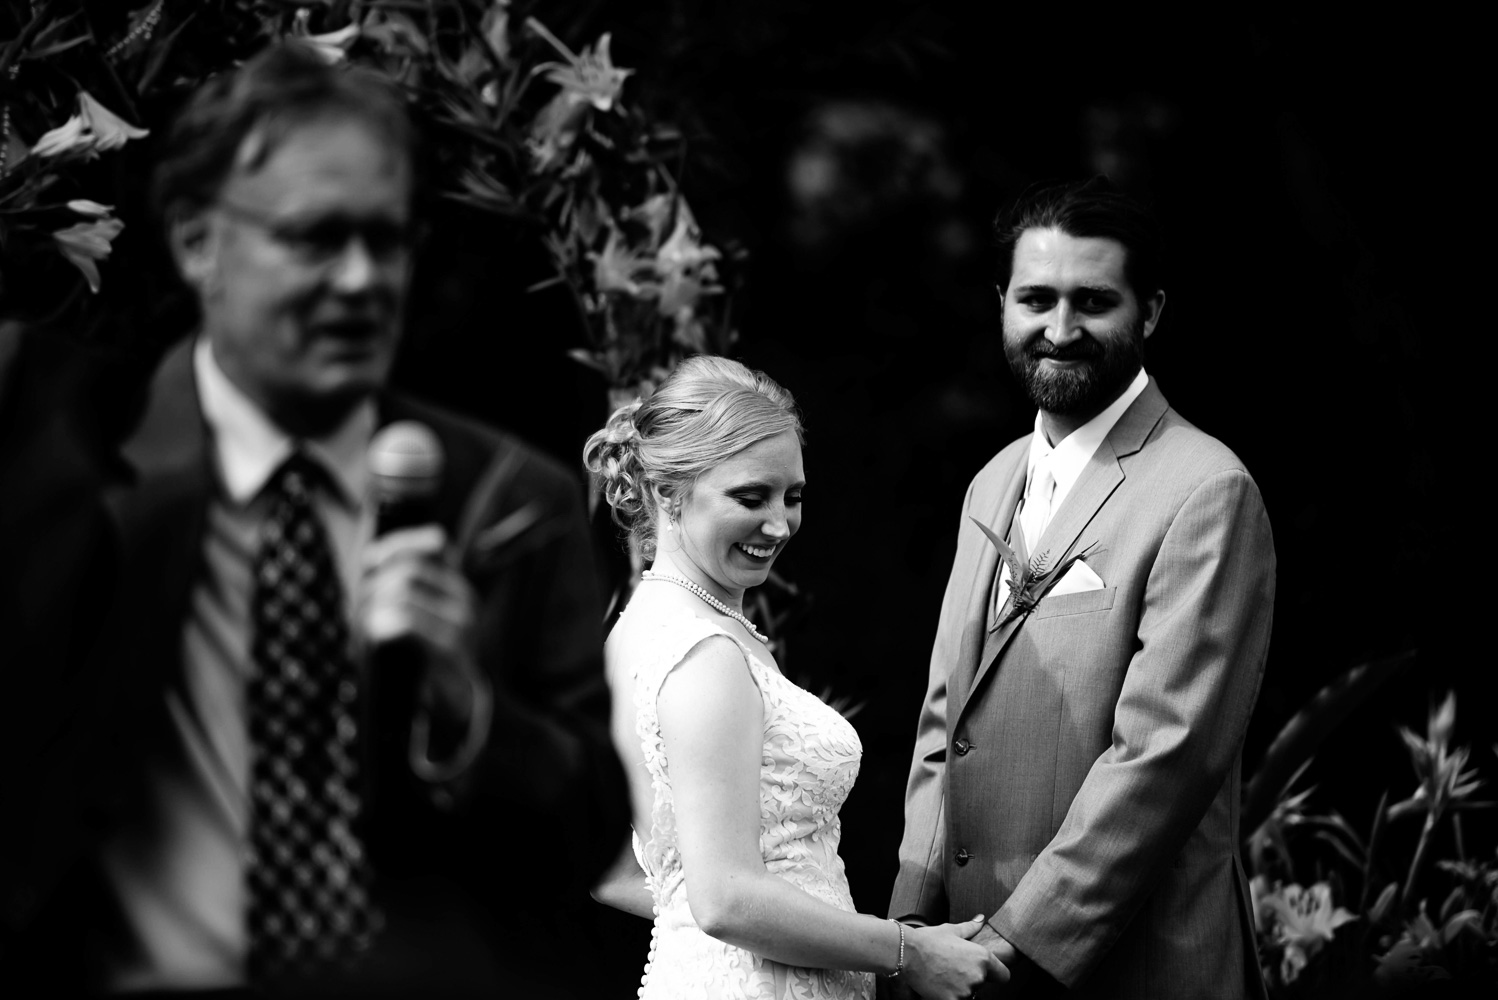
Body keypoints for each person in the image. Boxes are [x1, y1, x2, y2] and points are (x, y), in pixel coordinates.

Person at [0, 41, 627, 997]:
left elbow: (584, 843)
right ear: (197, 240)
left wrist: (468, 713)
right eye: (315, 238)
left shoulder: (511, 501)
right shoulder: (64, 463)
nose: (361, 280)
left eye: (386, 240)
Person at [890, 179, 1275, 999]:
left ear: (1152, 311)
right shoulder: (992, 483)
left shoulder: (1205, 489)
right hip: (963, 960)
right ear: (1002, 303)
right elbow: (941, 723)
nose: (1059, 331)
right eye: (1036, 299)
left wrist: (1013, 948)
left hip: (1128, 964)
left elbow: (1162, 756)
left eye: (1092, 301)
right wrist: (910, 930)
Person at [585, 356, 1006, 1000]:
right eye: (750, 497)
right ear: (668, 491)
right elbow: (724, 898)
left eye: (793, 496)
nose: (779, 524)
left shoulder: (641, 630)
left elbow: (614, 871)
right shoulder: (702, 652)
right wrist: (905, 949)